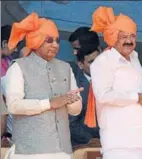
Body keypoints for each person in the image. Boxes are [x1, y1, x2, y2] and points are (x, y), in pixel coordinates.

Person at [84, 6, 142, 159]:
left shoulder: (134, 58)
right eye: (123, 36)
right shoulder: (102, 62)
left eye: (132, 36)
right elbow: (104, 96)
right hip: (119, 143)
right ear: (113, 37)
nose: (129, 41)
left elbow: (141, 94)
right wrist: (138, 97)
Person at [5, 12, 83, 159]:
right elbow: (13, 106)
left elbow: (74, 111)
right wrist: (49, 103)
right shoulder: (19, 67)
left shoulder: (65, 68)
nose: (55, 45)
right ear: (36, 41)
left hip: (63, 151)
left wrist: (73, 101)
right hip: (29, 152)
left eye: (57, 41)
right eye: (49, 40)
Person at [69, 42, 101, 147]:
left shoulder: (113, 82)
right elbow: (71, 123)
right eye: (91, 62)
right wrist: (91, 140)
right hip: (83, 146)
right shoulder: (75, 87)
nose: (97, 65)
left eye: (98, 60)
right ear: (80, 65)